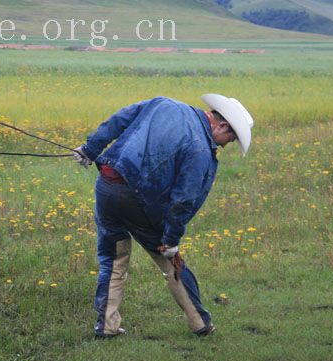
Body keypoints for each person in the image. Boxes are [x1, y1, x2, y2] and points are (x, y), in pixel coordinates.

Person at [73, 94, 253, 337]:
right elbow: (184, 200)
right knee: (171, 262)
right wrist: (170, 239)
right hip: (138, 201)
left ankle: (106, 326)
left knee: (113, 259)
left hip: (107, 186)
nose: (223, 146)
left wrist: (90, 148)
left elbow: (119, 120)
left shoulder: (163, 103)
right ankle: (200, 323)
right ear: (221, 125)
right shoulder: (200, 148)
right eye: (229, 139)